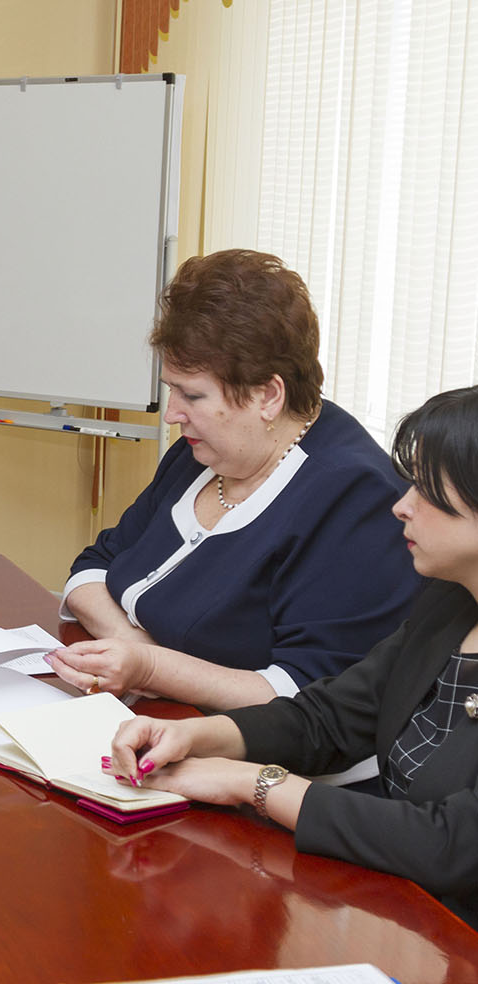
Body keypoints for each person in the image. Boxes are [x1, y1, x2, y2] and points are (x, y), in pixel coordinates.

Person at [106, 385, 478, 929]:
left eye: (426, 490)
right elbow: (329, 718)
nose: (401, 504)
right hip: (410, 916)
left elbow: (450, 843)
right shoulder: (450, 603)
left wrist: (248, 782)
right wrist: (196, 736)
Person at [47, 250, 421, 711]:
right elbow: (94, 566)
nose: (172, 414)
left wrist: (150, 667)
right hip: (144, 712)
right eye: (171, 389)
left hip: (244, 747)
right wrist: (129, 642)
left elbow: (310, 695)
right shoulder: (206, 452)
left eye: (192, 395)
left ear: (268, 395)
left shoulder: (355, 498)